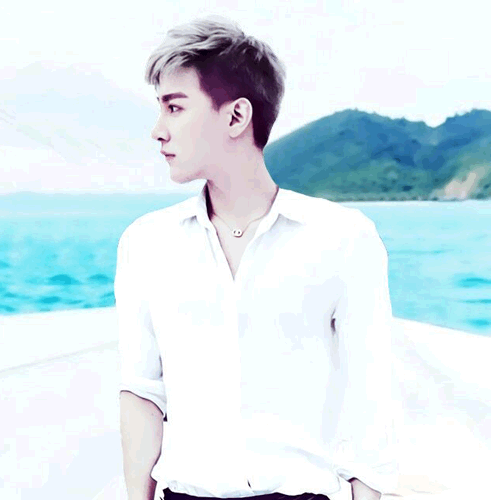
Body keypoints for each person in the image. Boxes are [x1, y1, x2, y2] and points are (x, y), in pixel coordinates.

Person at [114, 14, 398, 500]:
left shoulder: (343, 238)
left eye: (174, 108)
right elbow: (142, 390)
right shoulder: (146, 243)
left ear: (236, 117)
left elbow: (369, 399)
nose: (158, 131)